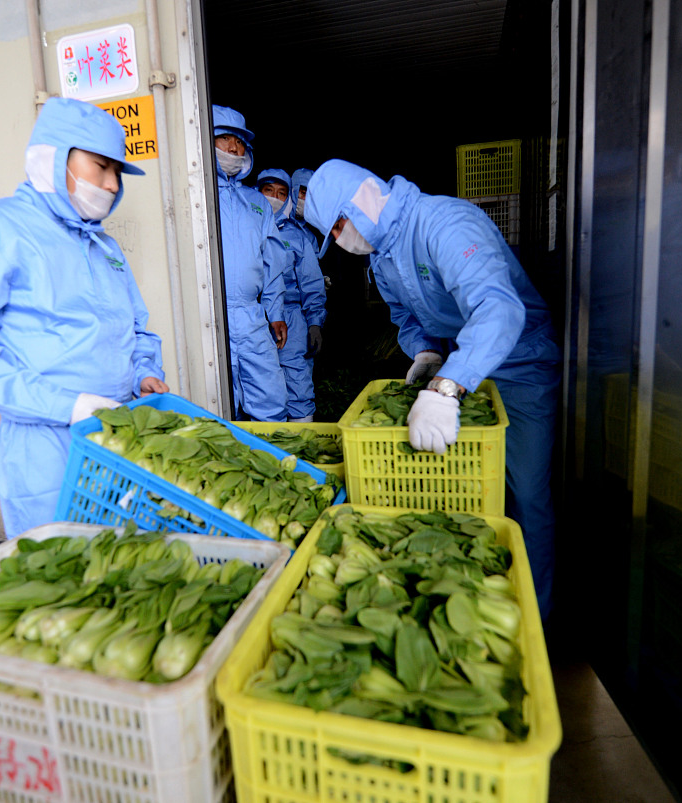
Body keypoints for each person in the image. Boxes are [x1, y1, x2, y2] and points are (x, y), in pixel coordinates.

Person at [305, 159, 560, 618]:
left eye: (340, 224)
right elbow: (406, 318)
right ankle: (479, 595)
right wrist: (426, 354)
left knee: (526, 492)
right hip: (461, 368)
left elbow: (499, 310)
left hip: (519, 364)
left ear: (361, 199)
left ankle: (535, 617)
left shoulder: (444, 222)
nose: (342, 239)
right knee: (472, 490)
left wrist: (447, 388)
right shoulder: (382, 259)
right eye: (334, 234)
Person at [0, 98, 168, 538]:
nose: (112, 185)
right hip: (47, 449)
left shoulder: (104, 248)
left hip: (119, 437)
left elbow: (135, 328)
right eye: (101, 167)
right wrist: (66, 406)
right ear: (54, 158)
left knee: (125, 571)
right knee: (66, 578)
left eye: (118, 172)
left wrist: (144, 374)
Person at [211, 105, 290, 421]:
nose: (233, 148)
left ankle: (275, 466)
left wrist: (276, 313)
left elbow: (273, 262)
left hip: (251, 315)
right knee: (218, 406)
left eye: (240, 142)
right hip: (210, 317)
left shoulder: (256, 202)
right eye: (225, 139)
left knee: (270, 400)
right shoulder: (196, 194)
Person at [256, 168, 327, 422]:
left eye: (281, 193)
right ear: (257, 192)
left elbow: (311, 282)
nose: (274, 197)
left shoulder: (297, 236)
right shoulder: (245, 227)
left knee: (297, 382)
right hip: (253, 317)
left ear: (288, 197)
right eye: (268, 191)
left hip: (292, 318)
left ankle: (302, 444)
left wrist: (315, 322)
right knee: (259, 384)